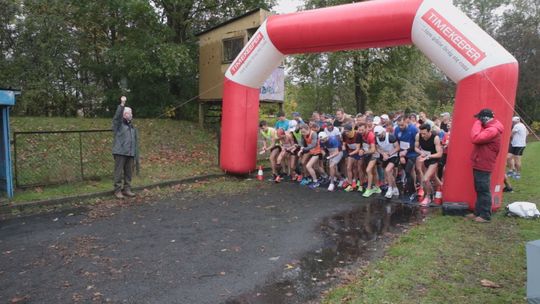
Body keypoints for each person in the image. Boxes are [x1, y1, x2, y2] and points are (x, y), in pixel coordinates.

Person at [467, 108, 504, 223]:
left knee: (483, 189)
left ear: (484, 118)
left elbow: (475, 138)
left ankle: (485, 215)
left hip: (484, 163)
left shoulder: (492, 130)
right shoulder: (491, 129)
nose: (478, 120)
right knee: (480, 189)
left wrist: (477, 123)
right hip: (481, 162)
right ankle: (478, 213)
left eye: (479, 118)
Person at [112, 96, 139, 199]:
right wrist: (122, 104)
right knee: (118, 173)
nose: (131, 115)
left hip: (130, 152)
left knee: (128, 173)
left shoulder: (131, 126)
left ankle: (127, 189)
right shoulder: (118, 124)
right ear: (124, 114)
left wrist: (134, 153)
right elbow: (117, 117)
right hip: (120, 152)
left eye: (131, 113)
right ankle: (117, 191)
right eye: (129, 113)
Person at [415, 123, 443, 206]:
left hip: (434, 159)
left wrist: (428, 156)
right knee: (434, 177)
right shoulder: (418, 136)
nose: (422, 135)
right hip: (425, 158)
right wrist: (421, 152)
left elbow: (439, 154)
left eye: (424, 133)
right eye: (421, 133)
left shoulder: (435, 138)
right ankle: (442, 188)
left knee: (425, 179)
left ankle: (428, 197)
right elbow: (415, 147)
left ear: (429, 131)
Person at [374, 125, 400, 198]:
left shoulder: (391, 137)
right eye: (377, 135)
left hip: (393, 155)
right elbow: (377, 148)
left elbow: (398, 147)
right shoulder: (376, 137)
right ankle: (395, 188)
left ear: (383, 132)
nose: (378, 136)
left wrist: (389, 154)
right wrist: (383, 153)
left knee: (388, 170)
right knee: (387, 173)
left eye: (379, 135)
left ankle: (390, 189)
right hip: (385, 155)